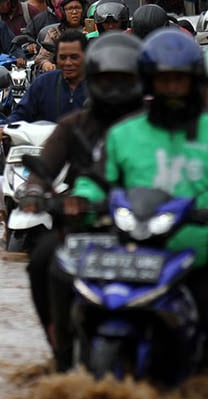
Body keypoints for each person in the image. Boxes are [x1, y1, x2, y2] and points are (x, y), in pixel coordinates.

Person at [63, 28, 208, 370]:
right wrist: (80, 202)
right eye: (163, 80)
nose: (171, 88)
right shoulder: (123, 134)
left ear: (194, 83)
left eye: (179, 80)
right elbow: (98, 181)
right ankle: (65, 358)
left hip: (198, 256)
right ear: (148, 83)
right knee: (71, 285)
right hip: (134, 252)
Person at [18, 32, 145, 368]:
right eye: (107, 79)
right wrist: (34, 193)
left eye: (124, 79)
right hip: (87, 222)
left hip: (148, 226)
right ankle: (59, 345)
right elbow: (43, 168)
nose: (114, 88)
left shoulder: (153, 126)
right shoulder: (74, 126)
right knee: (42, 260)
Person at [4, 29, 88, 125]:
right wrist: (2, 128)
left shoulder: (98, 85)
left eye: (74, 57)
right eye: (63, 57)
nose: (68, 63)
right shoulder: (43, 83)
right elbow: (20, 114)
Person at [37, 0, 88, 70]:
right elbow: (42, 58)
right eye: (70, 9)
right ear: (62, 12)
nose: (74, 12)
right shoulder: (55, 32)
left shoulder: (92, 29)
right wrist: (47, 64)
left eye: (77, 8)